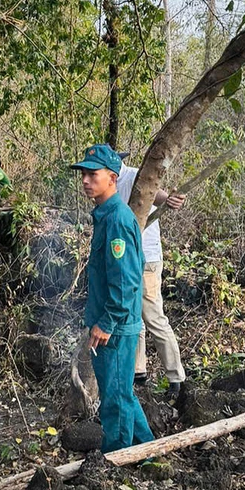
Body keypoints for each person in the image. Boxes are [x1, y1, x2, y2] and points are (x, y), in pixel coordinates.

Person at [71, 144, 155, 453]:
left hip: (115, 327)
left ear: (112, 177)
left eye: (92, 174)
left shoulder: (118, 220)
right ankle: (148, 452)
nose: (85, 180)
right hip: (113, 321)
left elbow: (127, 280)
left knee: (114, 400)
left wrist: (105, 323)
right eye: (83, 174)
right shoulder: (106, 216)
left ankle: (116, 460)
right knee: (123, 394)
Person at [116, 156, 187, 398]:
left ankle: (176, 378)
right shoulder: (108, 182)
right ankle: (139, 372)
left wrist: (171, 200)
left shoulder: (137, 176)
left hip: (147, 259)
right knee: (133, 317)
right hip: (126, 258)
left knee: (154, 318)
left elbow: (163, 197)